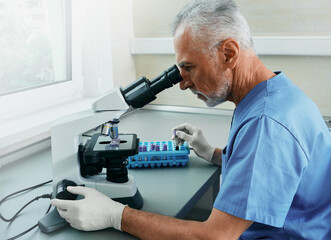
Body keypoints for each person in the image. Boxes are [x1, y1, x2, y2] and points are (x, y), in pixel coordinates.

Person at [51, 0, 331, 239]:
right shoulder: (275, 95)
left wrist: (116, 215)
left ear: (229, 54)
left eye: (188, 67)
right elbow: (275, 172)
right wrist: (214, 154)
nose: (183, 83)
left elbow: (215, 236)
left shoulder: (267, 124)